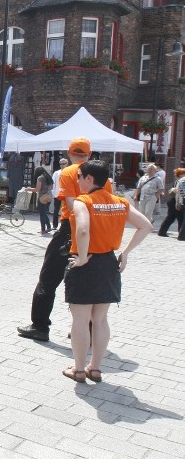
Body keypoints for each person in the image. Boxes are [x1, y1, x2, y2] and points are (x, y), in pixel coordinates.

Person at [62, 160, 152, 383]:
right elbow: (146, 225)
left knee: (80, 321)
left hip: (86, 262)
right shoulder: (120, 202)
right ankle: (96, 368)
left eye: (80, 176)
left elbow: (83, 229)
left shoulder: (84, 202)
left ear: (89, 179)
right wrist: (126, 252)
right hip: (108, 263)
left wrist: (82, 258)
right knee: (100, 320)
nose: (78, 180)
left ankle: (79, 369)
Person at [18, 137, 112, 341]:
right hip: (95, 230)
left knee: (48, 279)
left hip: (70, 230)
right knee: (87, 282)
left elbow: (70, 205)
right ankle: (83, 328)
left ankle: (40, 326)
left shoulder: (69, 172)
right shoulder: (103, 177)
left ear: (69, 154)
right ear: (89, 154)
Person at [157, 167, 185, 237]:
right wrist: (178, 203)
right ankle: (181, 234)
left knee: (171, 217)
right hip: (175, 201)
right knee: (178, 218)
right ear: (181, 174)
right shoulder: (180, 181)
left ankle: (162, 231)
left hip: (173, 200)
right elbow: (179, 193)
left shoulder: (177, 181)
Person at [29, 166, 54, 235]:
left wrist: (28, 189)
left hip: (42, 197)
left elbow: (37, 189)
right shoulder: (48, 177)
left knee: (42, 214)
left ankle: (43, 229)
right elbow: (51, 188)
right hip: (49, 196)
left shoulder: (40, 178)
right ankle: (48, 227)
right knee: (45, 212)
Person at [51, 158, 68, 230]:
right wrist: (53, 192)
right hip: (58, 194)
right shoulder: (56, 173)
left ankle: (64, 225)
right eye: (61, 164)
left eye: (64, 164)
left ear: (67, 164)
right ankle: (55, 225)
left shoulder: (69, 172)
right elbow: (53, 183)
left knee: (65, 210)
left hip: (67, 194)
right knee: (56, 210)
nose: (62, 165)